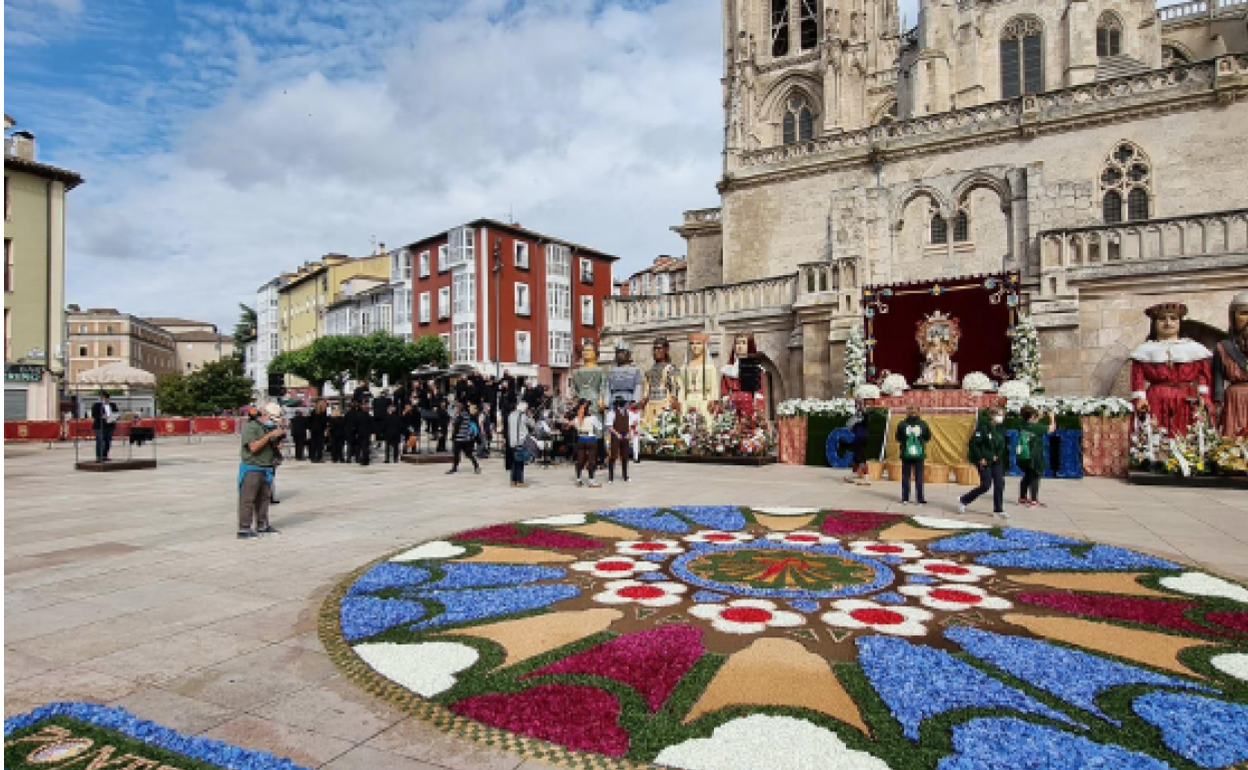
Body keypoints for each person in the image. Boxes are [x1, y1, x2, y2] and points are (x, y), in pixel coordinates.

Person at [1129, 302, 1213, 436]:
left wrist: (1203, 396)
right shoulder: (1144, 351)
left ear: (1180, 322)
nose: (1168, 323)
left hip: (1186, 400)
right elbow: (1137, 380)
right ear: (1154, 323)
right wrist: (1140, 399)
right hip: (1155, 401)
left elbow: (1204, 376)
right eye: (1162, 319)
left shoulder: (1194, 349)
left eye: (1173, 318)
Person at [238, 404, 284, 539]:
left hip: (267, 467)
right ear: (264, 415)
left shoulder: (268, 427)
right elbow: (253, 447)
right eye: (273, 418)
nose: (274, 421)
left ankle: (262, 525)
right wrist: (269, 435)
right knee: (248, 499)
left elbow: (275, 445)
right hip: (252, 467)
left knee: (264, 499)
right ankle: (244, 528)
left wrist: (278, 438)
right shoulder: (251, 427)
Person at [958, 406, 1008, 518]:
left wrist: (997, 455)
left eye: (1002, 415)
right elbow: (973, 444)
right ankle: (964, 500)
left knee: (1000, 483)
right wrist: (980, 458)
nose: (1001, 417)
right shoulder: (983, 427)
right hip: (984, 460)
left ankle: (998, 509)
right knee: (986, 485)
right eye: (999, 415)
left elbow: (1001, 445)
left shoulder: (1000, 429)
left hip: (996, 461)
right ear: (992, 416)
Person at [1213, 290, 1248, 437]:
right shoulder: (1223, 348)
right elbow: (1217, 382)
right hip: (1235, 403)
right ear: (1233, 317)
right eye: (1244, 313)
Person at [1017, 406, 1056, 508]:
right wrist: (1052, 417)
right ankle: (1033, 499)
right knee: (1035, 476)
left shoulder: (1023, 425)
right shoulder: (1036, 428)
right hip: (1034, 456)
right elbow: (1051, 428)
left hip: (1023, 456)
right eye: (1034, 415)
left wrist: (1038, 417)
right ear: (1031, 417)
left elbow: (1032, 425)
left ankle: (1022, 497)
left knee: (1027, 475)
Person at [894, 405, 931, 505]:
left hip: (906, 453)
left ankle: (905, 498)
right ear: (919, 412)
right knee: (919, 476)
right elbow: (928, 437)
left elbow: (897, 438)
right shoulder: (923, 424)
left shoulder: (902, 424)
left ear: (907, 412)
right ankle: (919, 499)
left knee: (906, 476)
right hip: (919, 454)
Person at [571, 400, 603, 487]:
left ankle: (578, 479)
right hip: (591, 439)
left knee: (580, 460)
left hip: (581, 440)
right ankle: (591, 481)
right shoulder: (592, 418)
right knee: (591, 461)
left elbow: (574, 426)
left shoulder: (577, 418)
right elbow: (600, 427)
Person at [508, 401, 536, 488]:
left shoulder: (511, 415)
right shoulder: (523, 416)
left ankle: (513, 480)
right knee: (520, 462)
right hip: (521, 441)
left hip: (512, 441)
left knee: (514, 461)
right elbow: (532, 424)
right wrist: (531, 417)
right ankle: (520, 481)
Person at [447, 403, 481, 474]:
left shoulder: (460, 416)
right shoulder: (467, 415)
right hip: (466, 438)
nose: (455, 410)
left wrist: (453, 436)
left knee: (456, 454)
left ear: (459, 409)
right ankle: (476, 466)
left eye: (456, 408)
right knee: (469, 454)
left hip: (459, 438)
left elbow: (456, 427)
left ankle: (454, 468)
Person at [844, 401, 871, 485]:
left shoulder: (864, 417)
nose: (857, 407)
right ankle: (853, 474)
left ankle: (866, 478)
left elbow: (865, 416)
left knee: (860, 458)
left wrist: (861, 409)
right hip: (858, 438)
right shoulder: (856, 417)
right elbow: (849, 425)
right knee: (856, 457)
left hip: (861, 439)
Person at [606, 398, 632, 483]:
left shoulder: (627, 413)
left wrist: (629, 433)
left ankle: (625, 476)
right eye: (623, 404)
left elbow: (629, 425)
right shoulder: (612, 413)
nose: (625, 405)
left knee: (625, 456)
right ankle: (610, 477)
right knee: (613, 456)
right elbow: (609, 426)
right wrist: (617, 434)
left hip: (625, 436)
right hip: (615, 436)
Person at [90, 393, 120, 462]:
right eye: (103, 399)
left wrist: (115, 417)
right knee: (100, 441)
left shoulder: (113, 405)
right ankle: (99, 457)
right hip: (99, 426)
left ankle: (105, 455)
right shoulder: (97, 405)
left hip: (110, 426)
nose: (106, 400)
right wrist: (102, 416)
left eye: (107, 399)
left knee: (108, 442)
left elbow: (116, 413)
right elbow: (94, 415)